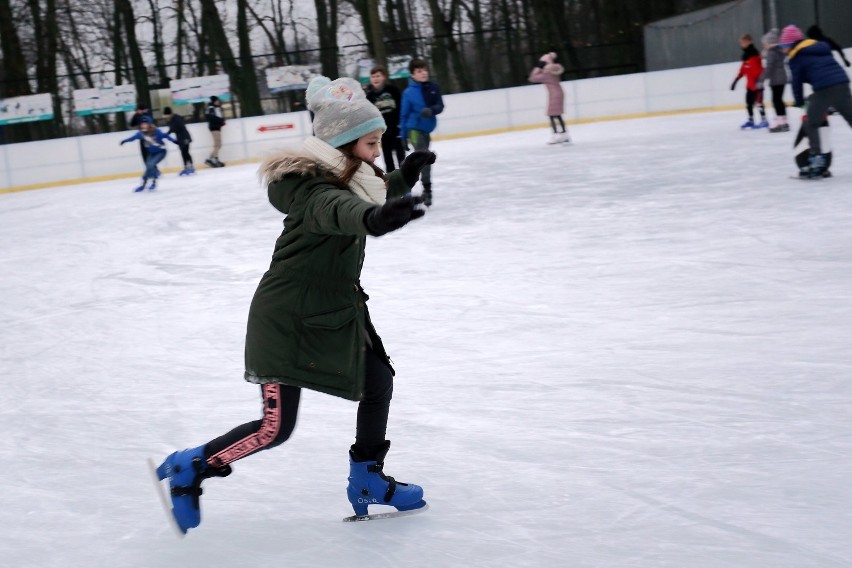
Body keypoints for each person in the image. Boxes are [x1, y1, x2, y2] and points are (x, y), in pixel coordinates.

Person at [151, 75, 436, 534]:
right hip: (288, 316)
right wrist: (372, 220)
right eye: (371, 142)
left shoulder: (350, 178)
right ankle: (194, 465)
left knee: (378, 380)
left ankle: (367, 478)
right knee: (275, 427)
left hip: (335, 309)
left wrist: (404, 179)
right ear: (343, 145)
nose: (379, 150)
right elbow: (338, 209)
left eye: (380, 140)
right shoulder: (315, 192)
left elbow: (366, 196)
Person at [780, 24, 852, 178]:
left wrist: (799, 102)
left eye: (784, 46)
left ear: (791, 44)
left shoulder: (795, 57)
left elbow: (796, 83)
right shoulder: (819, 47)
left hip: (823, 89)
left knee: (812, 123)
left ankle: (817, 160)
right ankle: (818, 159)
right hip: (842, 83)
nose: (783, 50)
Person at [399, 58, 444, 207]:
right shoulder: (408, 93)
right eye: (419, 71)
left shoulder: (433, 87)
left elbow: (440, 105)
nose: (423, 73)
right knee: (424, 157)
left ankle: (418, 185)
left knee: (423, 159)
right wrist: (404, 136)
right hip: (414, 130)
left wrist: (431, 110)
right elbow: (404, 115)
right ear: (412, 74)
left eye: (425, 70)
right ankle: (427, 190)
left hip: (426, 130)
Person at [119, 116, 178, 192]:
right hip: (151, 153)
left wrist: (175, 141)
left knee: (151, 165)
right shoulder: (141, 134)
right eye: (142, 124)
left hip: (161, 152)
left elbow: (166, 136)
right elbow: (132, 138)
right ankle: (143, 184)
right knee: (148, 167)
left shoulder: (156, 131)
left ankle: (153, 183)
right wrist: (124, 141)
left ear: (149, 124)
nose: (143, 125)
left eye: (145, 124)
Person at [366, 65, 405, 173]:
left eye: (378, 76)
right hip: (382, 131)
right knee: (388, 158)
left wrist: (400, 123)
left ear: (383, 77)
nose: (375, 79)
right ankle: (392, 182)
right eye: (373, 76)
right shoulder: (370, 96)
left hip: (396, 128)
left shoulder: (393, 90)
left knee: (401, 156)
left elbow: (401, 107)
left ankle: (405, 181)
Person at [528, 51, 570, 144]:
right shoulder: (555, 69)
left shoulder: (546, 74)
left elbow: (532, 78)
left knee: (551, 114)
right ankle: (564, 134)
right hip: (559, 92)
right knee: (557, 114)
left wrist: (538, 67)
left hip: (554, 94)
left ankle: (555, 134)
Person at [731, 34, 768, 129]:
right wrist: (736, 80)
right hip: (750, 85)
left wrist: (759, 81)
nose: (742, 45)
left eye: (744, 42)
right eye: (741, 43)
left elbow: (759, 70)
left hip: (757, 84)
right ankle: (751, 120)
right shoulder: (746, 56)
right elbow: (743, 69)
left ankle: (764, 120)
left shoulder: (754, 54)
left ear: (749, 42)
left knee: (759, 102)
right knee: (749, 103)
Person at [759, 29, 790, 133]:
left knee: (776, 101)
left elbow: (769, 68)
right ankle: (783, 121)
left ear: (769, 43)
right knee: (779, 100)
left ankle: (781, 122)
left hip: (776, 80)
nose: (764, 45)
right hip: (782, 78)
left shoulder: (771, 53)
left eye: (765, 43)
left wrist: (761, 79)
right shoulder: (779, 51)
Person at [163, 106, 195, 175]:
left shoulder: (177, 118)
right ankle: (186, 167)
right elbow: (172, 128)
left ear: (170, 114)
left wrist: (167, 133)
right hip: (180, 138)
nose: (166, 118)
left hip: (185, 137)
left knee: (185, 152)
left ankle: (191, 167)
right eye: (165, 116)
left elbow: (176, 127)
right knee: (183, 152)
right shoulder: (170, 120)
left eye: (167, 116)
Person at [205, 95, 226, 168]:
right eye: (217, 101)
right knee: (218, 144)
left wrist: (222, 121)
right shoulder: (211, 108)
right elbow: (211, 118)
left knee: (218, 144)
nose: (218, 102)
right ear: (214, 101)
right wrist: (221, 121)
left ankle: (215, 159)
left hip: (216, 128)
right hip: (214, 128)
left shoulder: (215, 108)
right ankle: (211, 159)